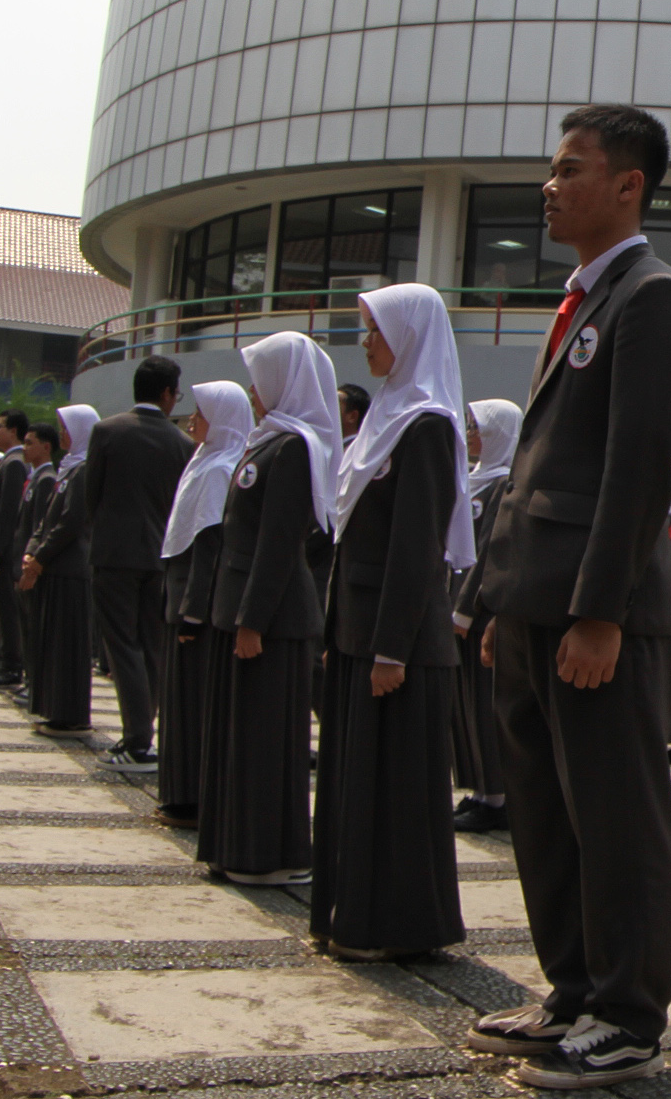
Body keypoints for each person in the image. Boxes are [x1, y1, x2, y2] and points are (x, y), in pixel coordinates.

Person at [467, 106, 671, 1090]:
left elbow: (638, 469)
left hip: (594, 615)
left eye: (571, 170)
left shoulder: (653, 299)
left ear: (629, 186)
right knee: (546, 812)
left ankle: (628, 1015)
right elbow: (537, 467)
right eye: (551, 171)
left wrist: (601, 613)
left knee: (614, 816)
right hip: (534, 602)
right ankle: (572, 988)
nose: (550, 187)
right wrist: (495, 598)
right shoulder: (583, 300)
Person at [311, 283, 471, 962]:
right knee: (357, 786)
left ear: (407, 335)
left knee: (395, 792)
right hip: (359, 634)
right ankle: (355, 912)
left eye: (373, 330)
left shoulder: (427, 424)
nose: (365, 342)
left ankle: (397, 924)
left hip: (394, 645)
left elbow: (415, 548)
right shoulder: (383, 415)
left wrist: (390, 649)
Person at [202, 331, 340, 886]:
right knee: (241, 737)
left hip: (272, 618)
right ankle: (237, 845)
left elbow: (279, 543)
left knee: (266, 743)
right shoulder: (268, 440)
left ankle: (272, 854)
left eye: (261, 379)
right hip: (242, 608)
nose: (253, 392)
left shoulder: (295, 448)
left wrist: (253, 620)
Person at [82, 357, 197, 773]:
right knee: (151, 645)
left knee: (121, 645)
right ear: (167, 393)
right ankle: (146, 731)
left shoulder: (107, 431)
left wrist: (105, 536)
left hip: (114, 555)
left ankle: (137, 737)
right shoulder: (182, 443)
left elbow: (90, 497)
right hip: (161, 556)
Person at [156, 385, 249, 827]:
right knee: (178, 704)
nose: (192, 420)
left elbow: (207, 547)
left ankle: (191, 797)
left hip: (196, 610)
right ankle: (179, 792)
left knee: (191, 708)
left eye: (202, 413)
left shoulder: (218, 469)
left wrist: (193, 613)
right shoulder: (204, 461)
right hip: (181, 601)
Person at [451, 399, 524, 834]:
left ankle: (497, 796)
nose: (471, 433)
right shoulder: (474, 481)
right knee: (464, 707)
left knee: (484, 703)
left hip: (480, 612)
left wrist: (464, 607)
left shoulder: (504, 485)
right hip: (457, 608)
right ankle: (479, 788)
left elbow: (489, 556)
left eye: (479, 426)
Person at [20, 405, 102, 737]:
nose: (63, 434)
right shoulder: (67, 470)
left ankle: (70, 714)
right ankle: (53, 708)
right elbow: (46, 521)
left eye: (67, 428)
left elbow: (70, 523)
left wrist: (39, 558)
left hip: (69, 569)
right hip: (53, 567)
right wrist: (31, 551)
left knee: (68, 647)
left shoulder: (84, 470)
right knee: (52, 643)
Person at [6, 426, 59, 711]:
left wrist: (31, 562)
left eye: (30, 443)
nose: (25, 448)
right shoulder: (35, 478)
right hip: (20, 562)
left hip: (31, 566)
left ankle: (35, 681)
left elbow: (40, 526)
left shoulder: (47, 480)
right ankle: (30, 679)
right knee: (26, 627)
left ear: (46, 447)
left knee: (33, 628)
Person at [0, 412, 32, 690]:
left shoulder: (13, 464)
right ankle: (5, 661)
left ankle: (11, 665)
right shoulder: (6, 462)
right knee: (0, 608)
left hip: (3, 551)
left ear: (12, 430)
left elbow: (7, 512)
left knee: (6, 609)